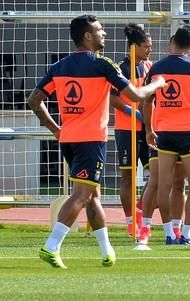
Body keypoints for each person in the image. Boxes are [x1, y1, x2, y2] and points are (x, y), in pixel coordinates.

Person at [28, 14, 165, 268]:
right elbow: (134, 95)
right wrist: (155, 85)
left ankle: (107, 251)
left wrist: (55, 128)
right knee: (81, 195)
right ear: (88, 36)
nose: (105, 34)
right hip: (91, 140)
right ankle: (51, 246)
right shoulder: (103, 65)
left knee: (93, 197)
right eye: (100, 30)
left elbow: (34, 100)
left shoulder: (59, 66)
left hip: (68, 139)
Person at [144, 25, 190, 246]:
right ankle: (187, 234)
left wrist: (148, 129)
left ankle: (169, 234)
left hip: (165, 132)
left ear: (173, 43)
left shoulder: (156, 68)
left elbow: (147, 101)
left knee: (165, 185)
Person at [110, 23, 153, 237]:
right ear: (134, 46)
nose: (149, 50)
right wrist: (134, 113)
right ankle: (130, 221)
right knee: (127, 176)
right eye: (146, 46)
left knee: (155, 172)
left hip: (147, 129)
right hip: (126, 128)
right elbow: (114, 98)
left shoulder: (149, 67)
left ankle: (140, 206)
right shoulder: (120, 69)